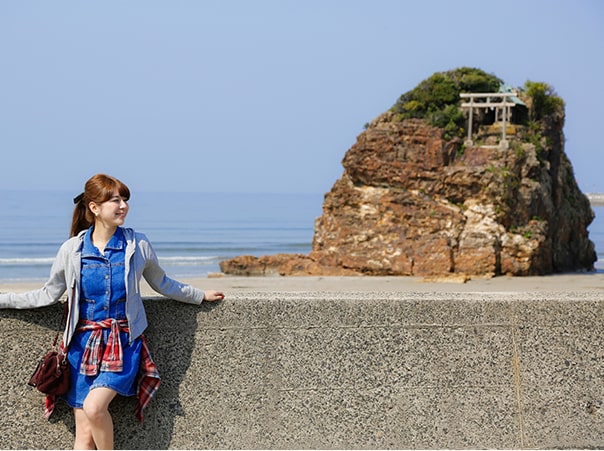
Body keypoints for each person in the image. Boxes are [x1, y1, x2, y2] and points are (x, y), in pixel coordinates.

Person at [0, 174, 225, 449]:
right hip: (81, 348)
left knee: (95, 409)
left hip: (123, 344)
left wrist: (199, 295)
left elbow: (163, 283)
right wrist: (4, 299)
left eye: (125, 199)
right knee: (83, 436)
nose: (123, 206)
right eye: (115, 200)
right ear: (94, 207)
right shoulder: (73, 250)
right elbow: (48, 293)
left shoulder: (137, 245)